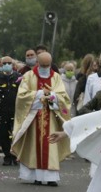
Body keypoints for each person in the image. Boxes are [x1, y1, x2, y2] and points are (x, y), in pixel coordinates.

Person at [12, 51, 71, 185]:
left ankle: (50, 178)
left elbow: (64, 97)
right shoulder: (29, 76)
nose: (45, 67)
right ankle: (35, 176)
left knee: (51, 144)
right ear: (37, 63)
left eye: (47, 65)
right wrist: (39, 93)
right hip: (33, 116)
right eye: (42, 65)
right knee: (33, 146)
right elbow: (21, 96)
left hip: (51, 116)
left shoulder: (56, 77)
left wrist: (53, 96)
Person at [0, 56, 20, 166]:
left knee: (16, 134)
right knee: (3, 134)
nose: (7, 65)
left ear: (13, 64)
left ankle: (15, 155)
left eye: (9, 63)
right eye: (4, 63)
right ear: (1, 65)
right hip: (1, 111)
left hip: (16, 111)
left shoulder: (19, 77)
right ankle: (7, 156)